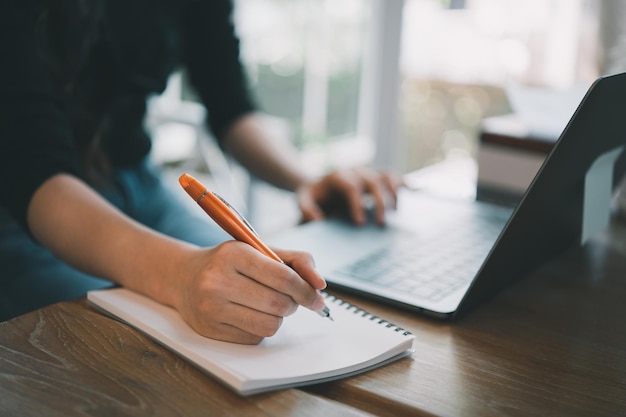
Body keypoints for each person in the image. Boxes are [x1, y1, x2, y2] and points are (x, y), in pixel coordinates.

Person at [0, 0, 399, 344]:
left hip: (140, 183)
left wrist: (307, 180)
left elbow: (231, 107)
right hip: (30, 209)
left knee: (251, 295)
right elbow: (33, 170)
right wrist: (180, 274)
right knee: (125, 344)